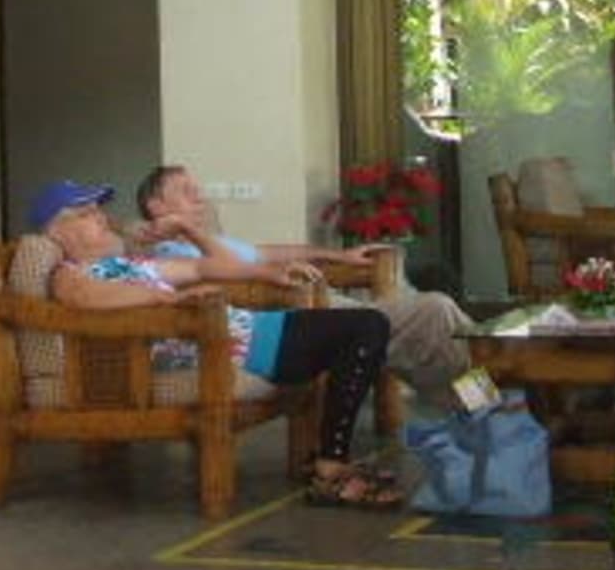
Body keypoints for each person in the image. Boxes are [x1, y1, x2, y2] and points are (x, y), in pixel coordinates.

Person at [29, 178, 403, 508]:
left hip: (253, 329)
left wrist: (265, 271)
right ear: (58, 233)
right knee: (366, 328)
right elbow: (86, 298)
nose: (102, 218)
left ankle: (330, 461)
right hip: (235, 348)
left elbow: (206, 265)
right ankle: (331, 467)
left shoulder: (130, 264)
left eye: (100, 209)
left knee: (367, 327)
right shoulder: (68, 273)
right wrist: (168, 299)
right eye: (87, 213)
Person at [133, 164, 473, 409]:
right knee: (434, 312)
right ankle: (480, 400)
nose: (199, 196)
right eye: (185, 190)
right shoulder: (168, 253)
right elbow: (225, 275)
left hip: (321, 303)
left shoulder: (215, 242)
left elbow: (273, 252)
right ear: (156, 206)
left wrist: (339, 255)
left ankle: (479, 397)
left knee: (439, 317)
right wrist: (190, 233)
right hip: (294, 315)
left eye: (197, 188)